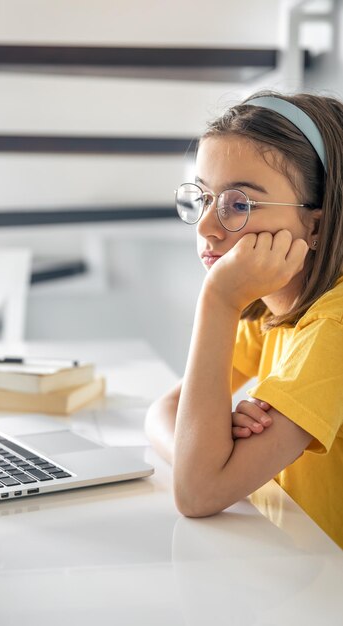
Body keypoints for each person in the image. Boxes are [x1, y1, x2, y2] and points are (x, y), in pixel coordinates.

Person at [145, 91, 343, 549]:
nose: (205, 227)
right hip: (288, 566)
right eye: (205, 197)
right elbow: (162, 413)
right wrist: (211, 450)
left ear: (316, 224)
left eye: (240, 205)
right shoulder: (272, 310)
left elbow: (198, 492)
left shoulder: (332, 330)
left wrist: (217, 299)